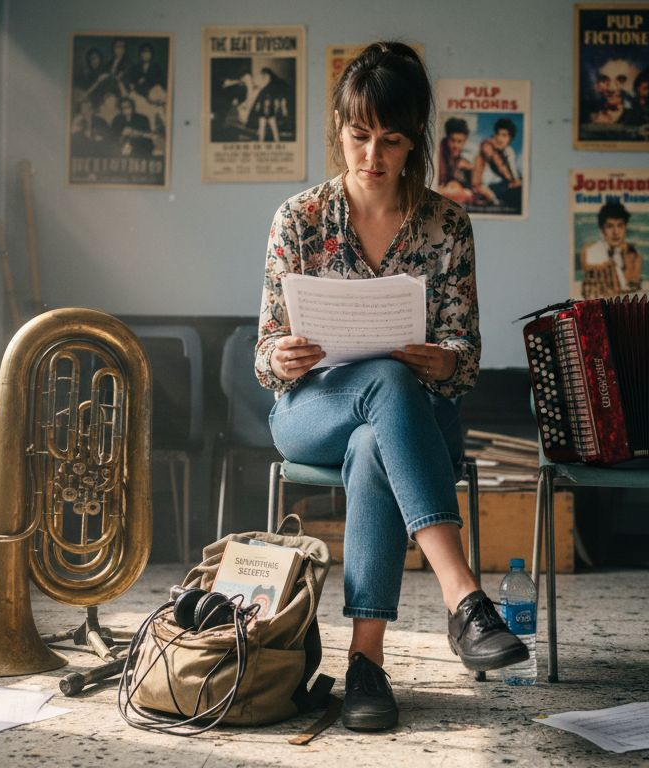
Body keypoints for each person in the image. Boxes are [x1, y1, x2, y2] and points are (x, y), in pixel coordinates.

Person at [255, 41, 527, 733]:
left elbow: (466, 356)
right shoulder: (299, 219)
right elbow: (264, 355)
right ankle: (464, 597)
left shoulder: (447, 224)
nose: (372, 155)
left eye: (391, 140)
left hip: (412, 421)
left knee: (376, 439)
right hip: (311, 410)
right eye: (358, 136)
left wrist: (442, 360)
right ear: (338, 129)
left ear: (415, 140)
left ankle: (366, 664)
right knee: (381, 380)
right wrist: (282, 356)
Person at [579, 199, 642, 298]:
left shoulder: (633, 255)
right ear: (602, 229)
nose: (615, 232)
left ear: (625, 227)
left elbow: (634, 288)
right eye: (609, 226)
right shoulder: (590, 251)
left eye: (620, 225)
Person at [471, 118, 522, 210]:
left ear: (510, 139)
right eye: (498, 134)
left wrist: (515, 181)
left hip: (502, 186)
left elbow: (514, 174)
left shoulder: (509, 151)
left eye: (504, 135)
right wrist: (513, 181)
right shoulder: (487, 146)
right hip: (486, 187)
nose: (499, 138)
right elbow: (500, 168)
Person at [436, 117, 476, 205]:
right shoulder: (439, 153)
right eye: (452, 140)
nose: (456, 145)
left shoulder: (460, 159)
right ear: (447, 139)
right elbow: (440, 185)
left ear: (465, 141)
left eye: (459, 141)